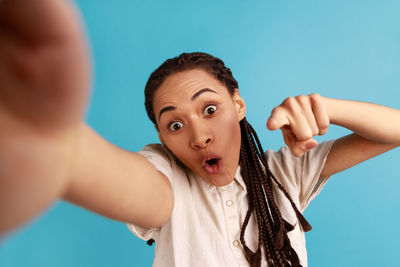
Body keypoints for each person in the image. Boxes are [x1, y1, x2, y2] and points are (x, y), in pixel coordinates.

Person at [0, 0, 399, 267]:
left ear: (238, 106)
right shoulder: (167, 179)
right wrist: (54, 143)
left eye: (210, 109)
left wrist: (326, 108)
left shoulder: (286, 174)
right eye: (175, 124)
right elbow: (133, 188)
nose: (198, 136)